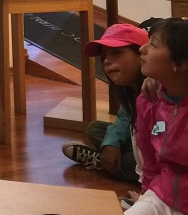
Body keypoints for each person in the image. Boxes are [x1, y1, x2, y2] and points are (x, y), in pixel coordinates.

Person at [61, 22, 149, 184]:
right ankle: (111, 160)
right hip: (142, 142)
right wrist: (111, 144)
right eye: (104, 57)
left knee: (134, 161)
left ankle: (103, 163)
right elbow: (125, 117)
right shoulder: (128, 88)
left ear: (142, 54)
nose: (107, 61)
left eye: (117, 53)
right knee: (95, 129)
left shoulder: (156, 87)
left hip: (162, 149)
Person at [124, 18, 188, 215]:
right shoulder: (149, 100)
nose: (141, 49)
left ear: (180, 65)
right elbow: (150, 163)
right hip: (164, 196)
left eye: (153, 45)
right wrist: (144, 198)